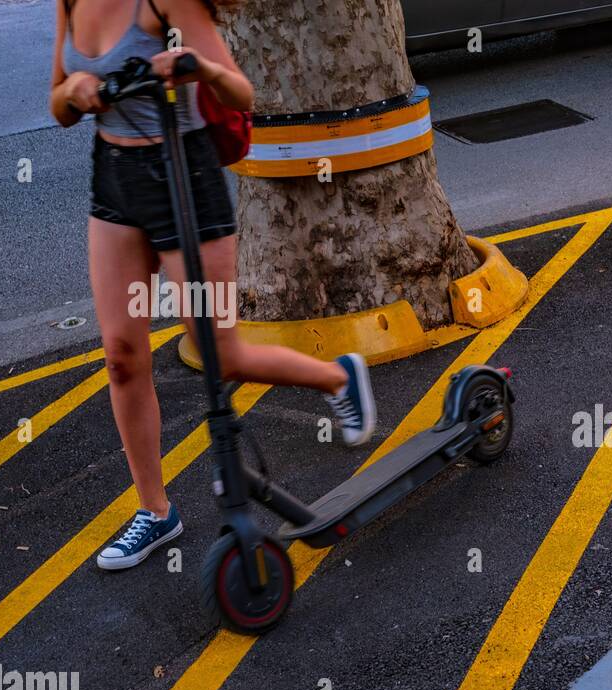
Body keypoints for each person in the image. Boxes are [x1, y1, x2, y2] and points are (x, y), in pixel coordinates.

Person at [50, 0, 376, 571]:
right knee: (122, 356)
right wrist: (74, 90)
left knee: (218, 351)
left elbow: (239, 92)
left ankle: (336, 376)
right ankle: (156, 513)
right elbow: (56, 105)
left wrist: (195, 68)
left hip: (185, 181)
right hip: (115, 182)